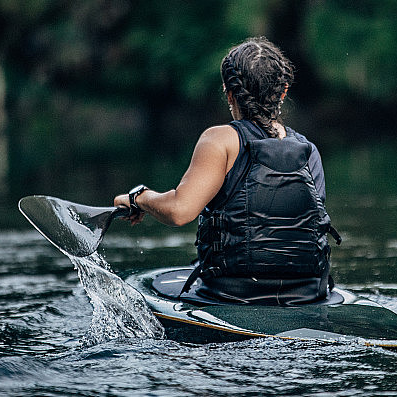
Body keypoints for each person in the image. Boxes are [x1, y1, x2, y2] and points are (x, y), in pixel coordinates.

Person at [113, 36, 339, 305]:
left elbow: (179, 211)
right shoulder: (307, 149)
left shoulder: (219, 140)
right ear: (283, 92)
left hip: (232, 293)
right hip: (308, 292)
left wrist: (139, 198)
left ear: (230, 93)